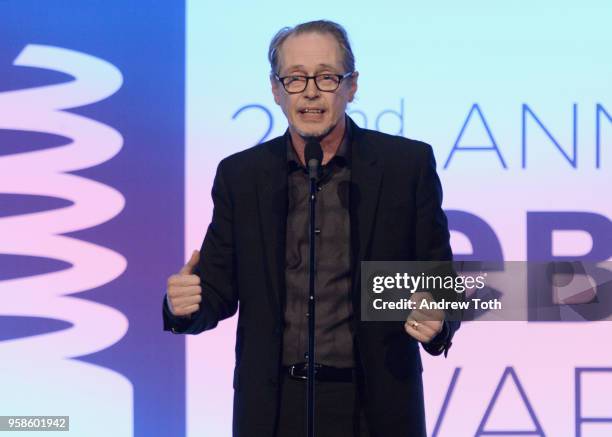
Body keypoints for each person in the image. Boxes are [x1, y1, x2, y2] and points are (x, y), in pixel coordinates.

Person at [163, 20, 459, 437]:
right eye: (296, 78)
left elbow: (438, 277)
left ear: (351, 86)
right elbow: (215, 289)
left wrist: (439, 320)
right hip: (274, 406)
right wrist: (183, 307)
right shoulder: (241, 176)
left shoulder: (404, 166)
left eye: (326, 76)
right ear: (276, 90)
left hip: (376, 407)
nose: (311, 91)